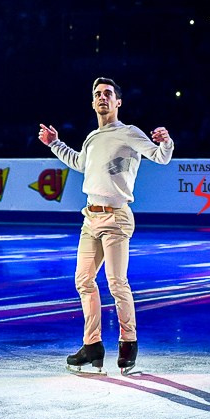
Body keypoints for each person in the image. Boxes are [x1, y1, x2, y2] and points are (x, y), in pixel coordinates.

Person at [38, 77, 174, 375]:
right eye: (98, 93)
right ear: (92, 102)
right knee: (84, 280)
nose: (102, 97)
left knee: (116, 282)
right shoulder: (91, 137)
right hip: (90, 218)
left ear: (118, 102)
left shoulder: (129, 133)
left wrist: (165, 142)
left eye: (108, 94)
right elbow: (80, 163)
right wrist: (55, 144)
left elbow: (160, 156)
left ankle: (128, 342)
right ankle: (92, 345)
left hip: (116, 219)